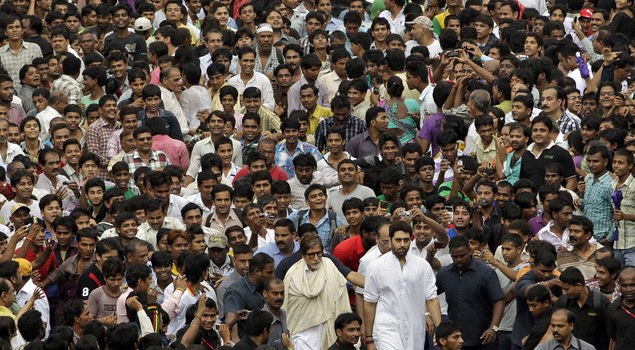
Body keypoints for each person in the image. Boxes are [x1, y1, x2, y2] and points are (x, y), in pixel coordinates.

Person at [364, 220, 442, 350]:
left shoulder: (422, 266)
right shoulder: (376, 267)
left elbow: (432, 298)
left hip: (415, 328)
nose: (402, 244)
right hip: (386, 328)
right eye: (398, 240)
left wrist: (440, 329)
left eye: (406, 240)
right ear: (390, 239)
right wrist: (369, 338)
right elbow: (370, 303)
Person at [283, 233, 351, 349]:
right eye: (311, 254)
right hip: (302, 332)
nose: (316, 258)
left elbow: (340, 296)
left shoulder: (329, 267)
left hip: (327, 327)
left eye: (319, 253)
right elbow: (290, 307)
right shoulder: (293, 275)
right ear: (303, 255)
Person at [436, 236, 505, 350]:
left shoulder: (486, 272)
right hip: (455, 341)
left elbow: (499, 300)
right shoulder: (444, 273)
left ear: (469, 251)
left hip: (483, 339)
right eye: (455, 256)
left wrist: (494, 328)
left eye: (462, 255)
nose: (459, 259)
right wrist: (427, 314)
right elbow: (429, 294)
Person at [555, 267, 609, 350]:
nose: (564, 292)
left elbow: (609, 334)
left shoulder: (600, 302)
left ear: (578, 286)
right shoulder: (563, 302)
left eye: (566, 289)